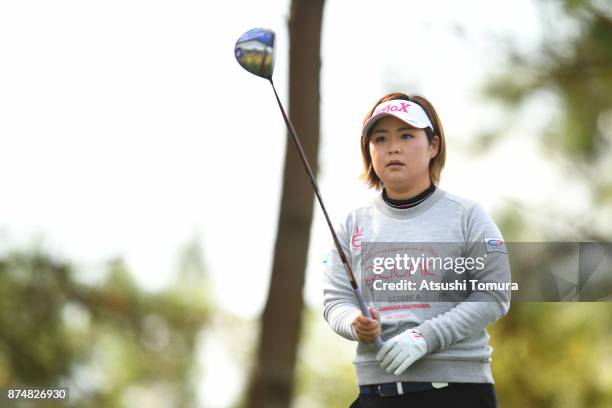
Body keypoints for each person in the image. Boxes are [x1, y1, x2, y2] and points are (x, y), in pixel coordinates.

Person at [323, 92, 511, 407]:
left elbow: (493, 295)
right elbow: (335, 302)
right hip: (375, 393)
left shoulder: (467, 215)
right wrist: (355, 322)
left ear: (433, 145)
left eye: (407, 135)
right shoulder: (350, 224)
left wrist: (425, 338)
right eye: (380, 138)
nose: (393, 147)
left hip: (456, 393)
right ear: (369, 151)